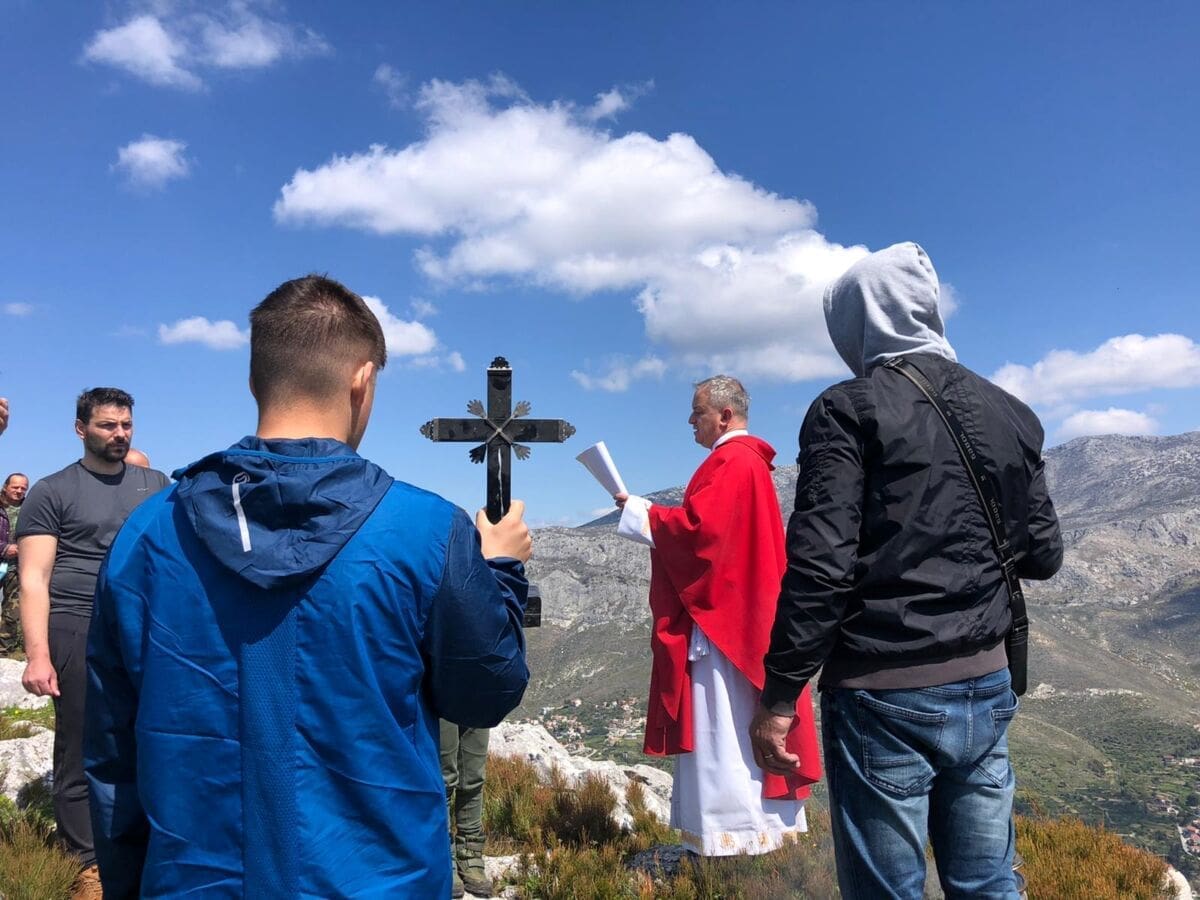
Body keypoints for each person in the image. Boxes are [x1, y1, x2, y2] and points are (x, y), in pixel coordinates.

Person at [84, 274, 532, 898]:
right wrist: (501, 570)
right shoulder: (426, 531)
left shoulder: (149, 534)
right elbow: (484, 693)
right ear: (362, 381)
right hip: (381, 882)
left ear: (254, 380)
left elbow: (111, 755)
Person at [750, 242, 1063, 899]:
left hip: (882, 693)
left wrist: (780, 696)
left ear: (857, 321)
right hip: (986, 680)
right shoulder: (1011, 410)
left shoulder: (847, 409)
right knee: (988, 882)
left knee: (887, 890)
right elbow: (1043, 556)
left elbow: (822, 566)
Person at [614, 376, 820, 857]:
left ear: (725, 415)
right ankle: (746, 838)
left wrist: (642, 512)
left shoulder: (731, 462)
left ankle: (736, 840)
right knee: (729, 724)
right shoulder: (745, 462)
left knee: (723, 727)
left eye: (698, 411)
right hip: (737, 618)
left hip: (725, 627)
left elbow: (700, 535)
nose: (691, 420)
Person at [17, 388, 171, 898]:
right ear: (81, 429)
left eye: (126, 425)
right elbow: (34, 577)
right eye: (108, 425)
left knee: (148, 737)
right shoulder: (52, 490)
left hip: (144, 625)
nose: (119, 434)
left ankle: (144, 847)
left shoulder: (156, 485)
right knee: (82, 744)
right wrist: (37, 654)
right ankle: (87, 864)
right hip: (76, 621)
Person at [1, 472, 29, 655]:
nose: (19, 491)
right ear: (5, 487)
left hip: (17, 568)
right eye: (15, 487)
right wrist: (4, 549)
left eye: (23, 488)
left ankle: (3, 652)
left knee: (12, 613)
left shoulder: (31, 509)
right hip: (2, 558)